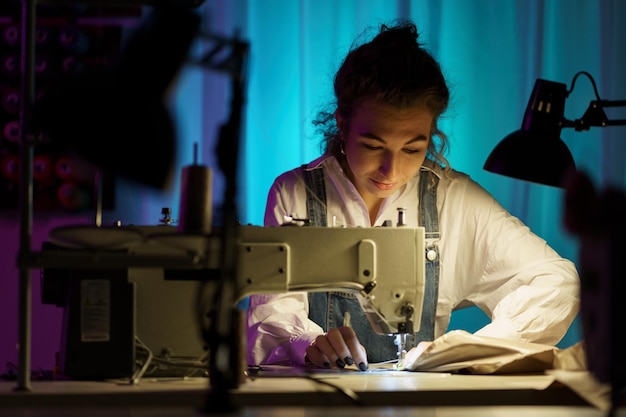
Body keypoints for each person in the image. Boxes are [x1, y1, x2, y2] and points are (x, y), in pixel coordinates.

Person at [246, 20, 580, 372]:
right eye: (373, 146)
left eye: (412, 149)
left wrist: (476, 349)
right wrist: (307, 343)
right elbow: (272, 316)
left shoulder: (454, 200)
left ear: (431, 137)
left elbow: (559, 282)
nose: (390, 170)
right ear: (342, 125)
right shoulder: (295, 194)